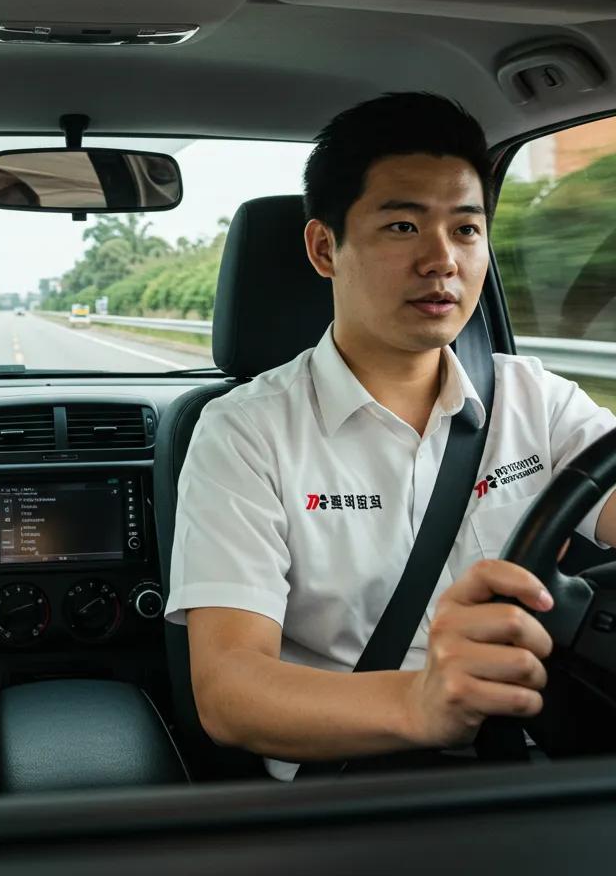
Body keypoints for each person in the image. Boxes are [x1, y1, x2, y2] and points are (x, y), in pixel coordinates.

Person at [165, 92, 616, 779]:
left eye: (466, 230)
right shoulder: (246, 433)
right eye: (403, 226)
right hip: (353, 789)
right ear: (325, 248)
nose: (442, 260)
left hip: (538, 766)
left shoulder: (539, 400)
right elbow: (229, 689)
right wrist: (421, 703)